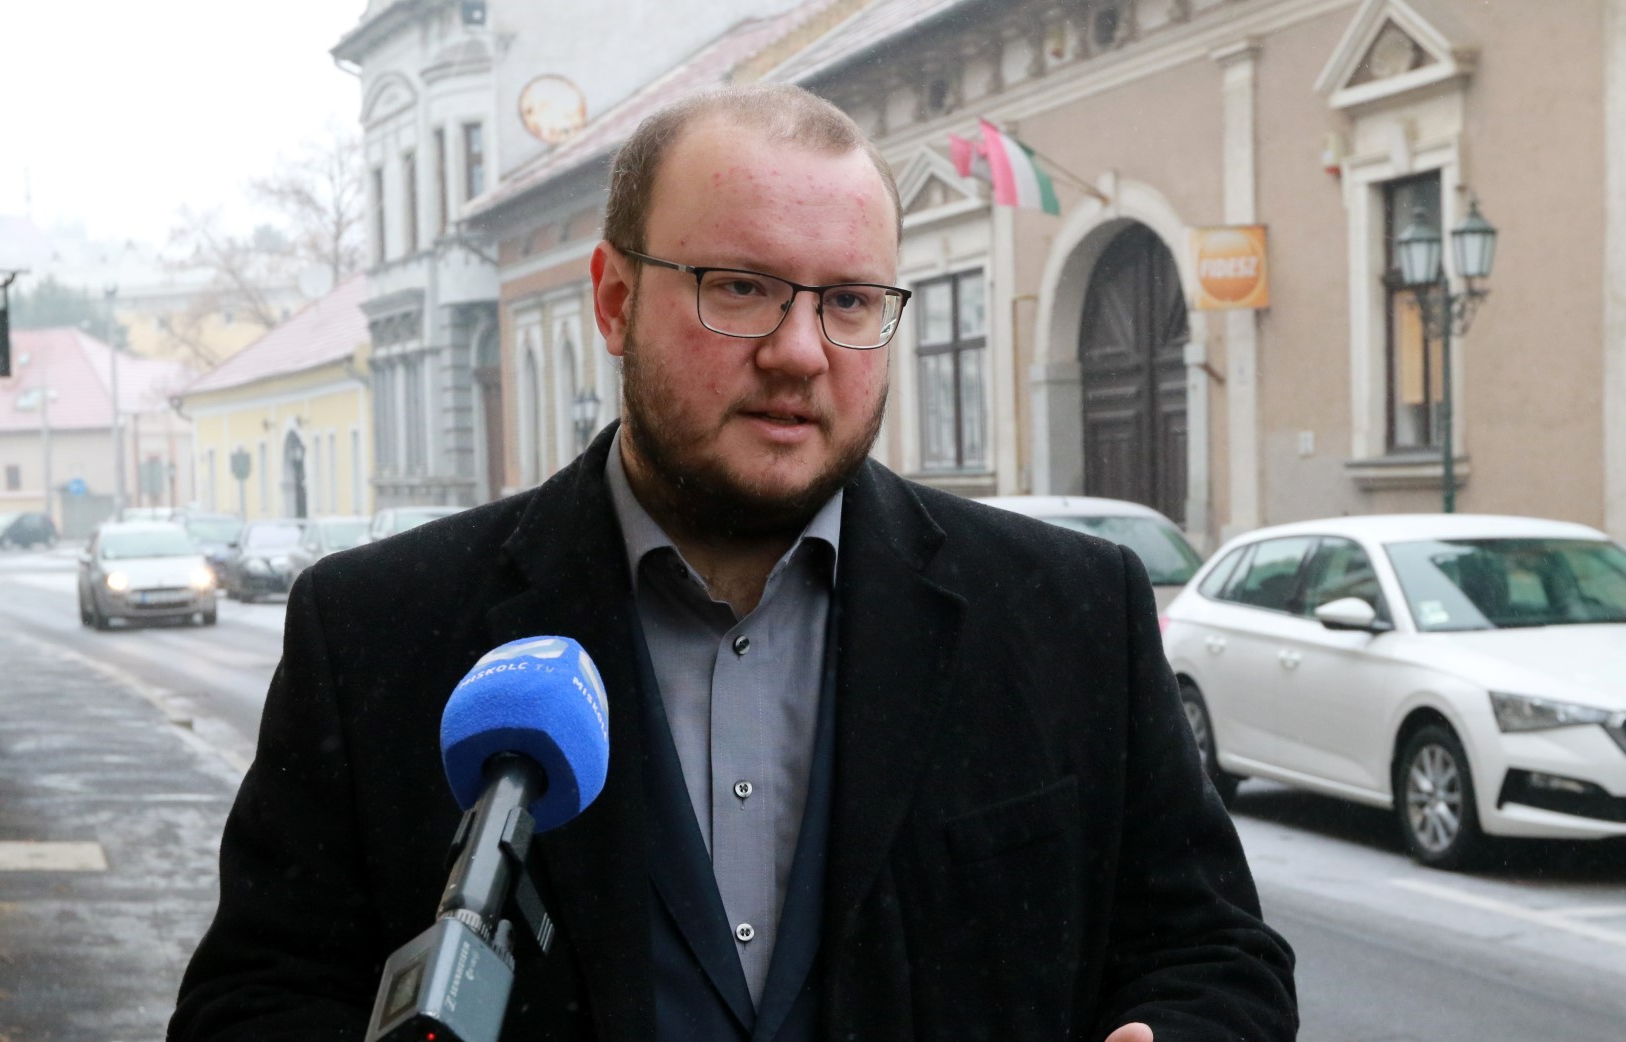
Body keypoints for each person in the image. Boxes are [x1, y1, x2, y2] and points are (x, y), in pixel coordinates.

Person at [169, 84, 1296, 1042]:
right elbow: (253, 1002)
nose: (799, 352)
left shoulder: (1071, 616)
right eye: (741, 287)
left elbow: (1214, 956)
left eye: (849, 300)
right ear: (615, 300)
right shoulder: (378, 634)